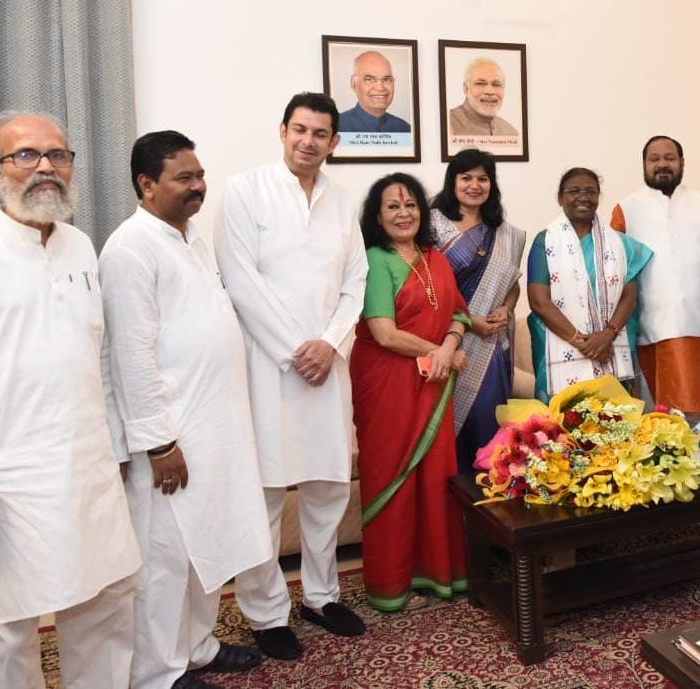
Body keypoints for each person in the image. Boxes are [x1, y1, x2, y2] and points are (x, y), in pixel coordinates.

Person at [0, 111, 140, 688]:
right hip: (9, 477)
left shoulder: (81, 247)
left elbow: (98, 356)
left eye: (59, 155)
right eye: (26, 155)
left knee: (105, 605)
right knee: (17, 624)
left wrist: (118, 446)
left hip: (90, 466)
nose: (46, 167)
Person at [100, 131, 274, 689]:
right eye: (184, 178)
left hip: (216, 426)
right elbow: (130, 356)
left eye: (200, 175)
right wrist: (158, 443)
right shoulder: (129, 249)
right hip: (172, 436)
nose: (199, 186)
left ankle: (198, 647)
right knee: (166, 561)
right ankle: (157, 672)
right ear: (146, 185)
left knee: (208, 548)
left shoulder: (192, 238)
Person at [216, 92, 368, 659]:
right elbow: (239, 280)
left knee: (328, 487)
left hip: (329, 368)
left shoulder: (341, 201)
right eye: (299, 129)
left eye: (320, 133)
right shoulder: (245, 191)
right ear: (282, 131)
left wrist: (328, 346)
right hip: (266, 368)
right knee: (266, 494)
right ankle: (265, 612)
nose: (308, 140)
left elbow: (355, 282)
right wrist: (294, 351)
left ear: (334, 142)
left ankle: (322, 595)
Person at [351, 172, 469, 612]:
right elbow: (383, 333)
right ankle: (391, 583)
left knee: (436, 479)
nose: (404, 213)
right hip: (388, 384)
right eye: (392, 206)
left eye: (411, 204)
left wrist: (451, 346)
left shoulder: (435, 257)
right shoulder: (374, 260)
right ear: (377, 216)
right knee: (393, 478)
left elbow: (459, 313)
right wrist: (440, 351)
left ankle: (439, 577)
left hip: (434, 382)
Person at [611, 135, 700, 414]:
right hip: (650, 330)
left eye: (669, 158)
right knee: (660, 419)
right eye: (654, 159)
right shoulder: (626, 209)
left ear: (682, 163)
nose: (662, 165)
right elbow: (614, 274)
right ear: (643, 164)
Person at [430, 149, 525, 471]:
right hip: (443, 344)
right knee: (445, 433)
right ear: (452, 181)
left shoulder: (505, 232)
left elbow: (512, 283)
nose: (474, 185)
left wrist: (507, 308)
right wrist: (470, 321)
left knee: (487, 427)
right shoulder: (431, 226)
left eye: (482, 179)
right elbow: (425, 288)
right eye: (466, 177)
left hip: (489, 348)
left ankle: (488, 508)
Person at [528, 167, 653, 401]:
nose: (583, 197)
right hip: (559, 345)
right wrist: (583, 343)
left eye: (590, 191)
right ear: (560, 197)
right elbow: (539, 301)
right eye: (574, 190)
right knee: (563, 428)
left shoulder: (620, 243)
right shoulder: (545, 241)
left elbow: (629, 294)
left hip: (611, 345)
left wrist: (607, 335)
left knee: (615, 423)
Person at [338, 50, 410, 133]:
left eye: (386, 79)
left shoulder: (405, 129)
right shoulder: (337, 127)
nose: (380, 88)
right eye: (369, 79)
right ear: (354, 84)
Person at [448, 57, 519, 137]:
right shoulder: (448, 124)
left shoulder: (511, 133)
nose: (490, 91)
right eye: (480, 83)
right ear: (466, 89)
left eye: (496, 84)